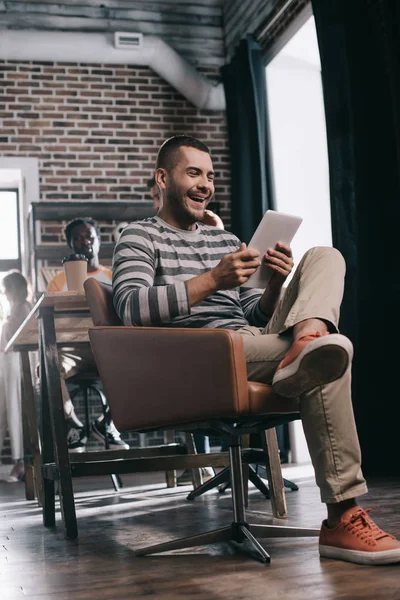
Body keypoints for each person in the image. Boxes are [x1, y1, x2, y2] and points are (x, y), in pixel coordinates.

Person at [112, 134, 400, 565]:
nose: (204, 184)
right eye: (193, 173)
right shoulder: (138, 236)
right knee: (330, 352)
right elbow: (130, 308)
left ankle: (307, 338)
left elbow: (252, 314)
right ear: (162, 178)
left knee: (325, 256)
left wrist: (275, 282)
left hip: (249, 342)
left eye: (210, 176)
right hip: (198, 354)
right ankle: (342, 516)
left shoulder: (226, 241)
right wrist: (211, 280)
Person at [48, 217, 129, 453]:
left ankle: (107, 423)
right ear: (70, 245)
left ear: (99, 240)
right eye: (78, 238)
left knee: (137, 361)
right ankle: (73, 425)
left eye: (89, 236)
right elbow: (49, 321)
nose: (84, 241)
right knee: (46, 366)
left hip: (106, 350)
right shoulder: (57, 281)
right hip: (71, 351)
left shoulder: (113, 277)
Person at [0, 271, 31, 482]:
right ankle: (17, 461)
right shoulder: (13, 308)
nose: (5, 292)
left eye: (7, 288)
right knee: (3, 412)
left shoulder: (25, 308)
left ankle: (20, 462)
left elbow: (25, 339)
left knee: (15, 412)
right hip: (6, 364)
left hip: (16, 364)